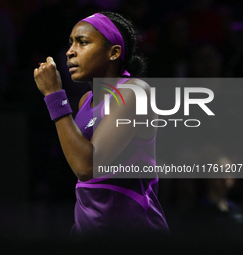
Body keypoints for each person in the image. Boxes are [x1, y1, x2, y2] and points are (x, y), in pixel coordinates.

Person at [34, 12, 169, 237]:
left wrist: (54, 95)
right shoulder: (85, 101)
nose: (70, 51)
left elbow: (88, 167)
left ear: (114, 53)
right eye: (70, 43)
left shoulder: (134, 91)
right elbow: (85, 180)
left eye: (83, 42)